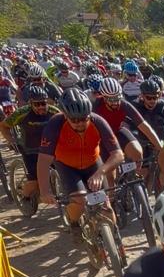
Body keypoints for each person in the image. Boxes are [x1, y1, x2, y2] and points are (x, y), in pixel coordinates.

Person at [37, 88, 123, 226]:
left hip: (93, 164)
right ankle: (74, 223)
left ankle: (116, 244)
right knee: (80, 200)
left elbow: (118, 154)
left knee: (106, 206)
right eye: (74, 120)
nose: (80, 123)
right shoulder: (55, 124)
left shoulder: (98, 121)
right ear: (65, 115)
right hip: (67, 166)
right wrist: (45, 191)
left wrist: (100, 172)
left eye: (84, 118)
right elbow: (43, 160)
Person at [0, 84, 55, 202]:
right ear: (30, 103)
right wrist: (11, 140)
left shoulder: (54, 111)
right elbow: (4, 126)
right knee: (35, 182)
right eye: (37, 104)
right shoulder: (22, 113)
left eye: (43, 103)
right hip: (30, 149)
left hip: (50, 148)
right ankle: (25, 196)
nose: (41, 107)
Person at [92, 76, 163, 169]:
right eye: (111, 100)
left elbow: (145, 127)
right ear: (104, 97)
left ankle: (132, 176)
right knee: (110, 172)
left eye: (118, 98)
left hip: (117, 132)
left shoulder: (124, 104)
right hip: (102, 138)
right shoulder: (96, 106)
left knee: (137, 152)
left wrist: (160, 148)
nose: (116, 102)